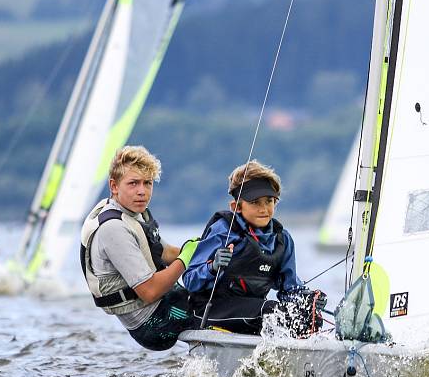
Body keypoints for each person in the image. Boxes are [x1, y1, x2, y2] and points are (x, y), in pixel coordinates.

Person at [183, 160, 327, 336]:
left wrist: (308, 300)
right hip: (210, 312)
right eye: (255, 202)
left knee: (309, 316)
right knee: (271, 312)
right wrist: (212, 267)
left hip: (253, 312)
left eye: (269, 201)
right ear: (236, 207)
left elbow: (289, 290)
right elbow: (190, 280)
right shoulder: (224, 231)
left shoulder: (282, 240)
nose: (264, 209)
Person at [80, 145, 200, 351]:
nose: (142, 191)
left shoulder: (134, 213)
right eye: (133, 183)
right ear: (114, 186)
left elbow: (165, 253)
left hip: (165, 302)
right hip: (152, 325)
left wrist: (202, 248)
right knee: (221, 311)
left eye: (148, 183)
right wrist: (186, 259)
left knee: (217, 292)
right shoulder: (113, 228)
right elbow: (150, 291)